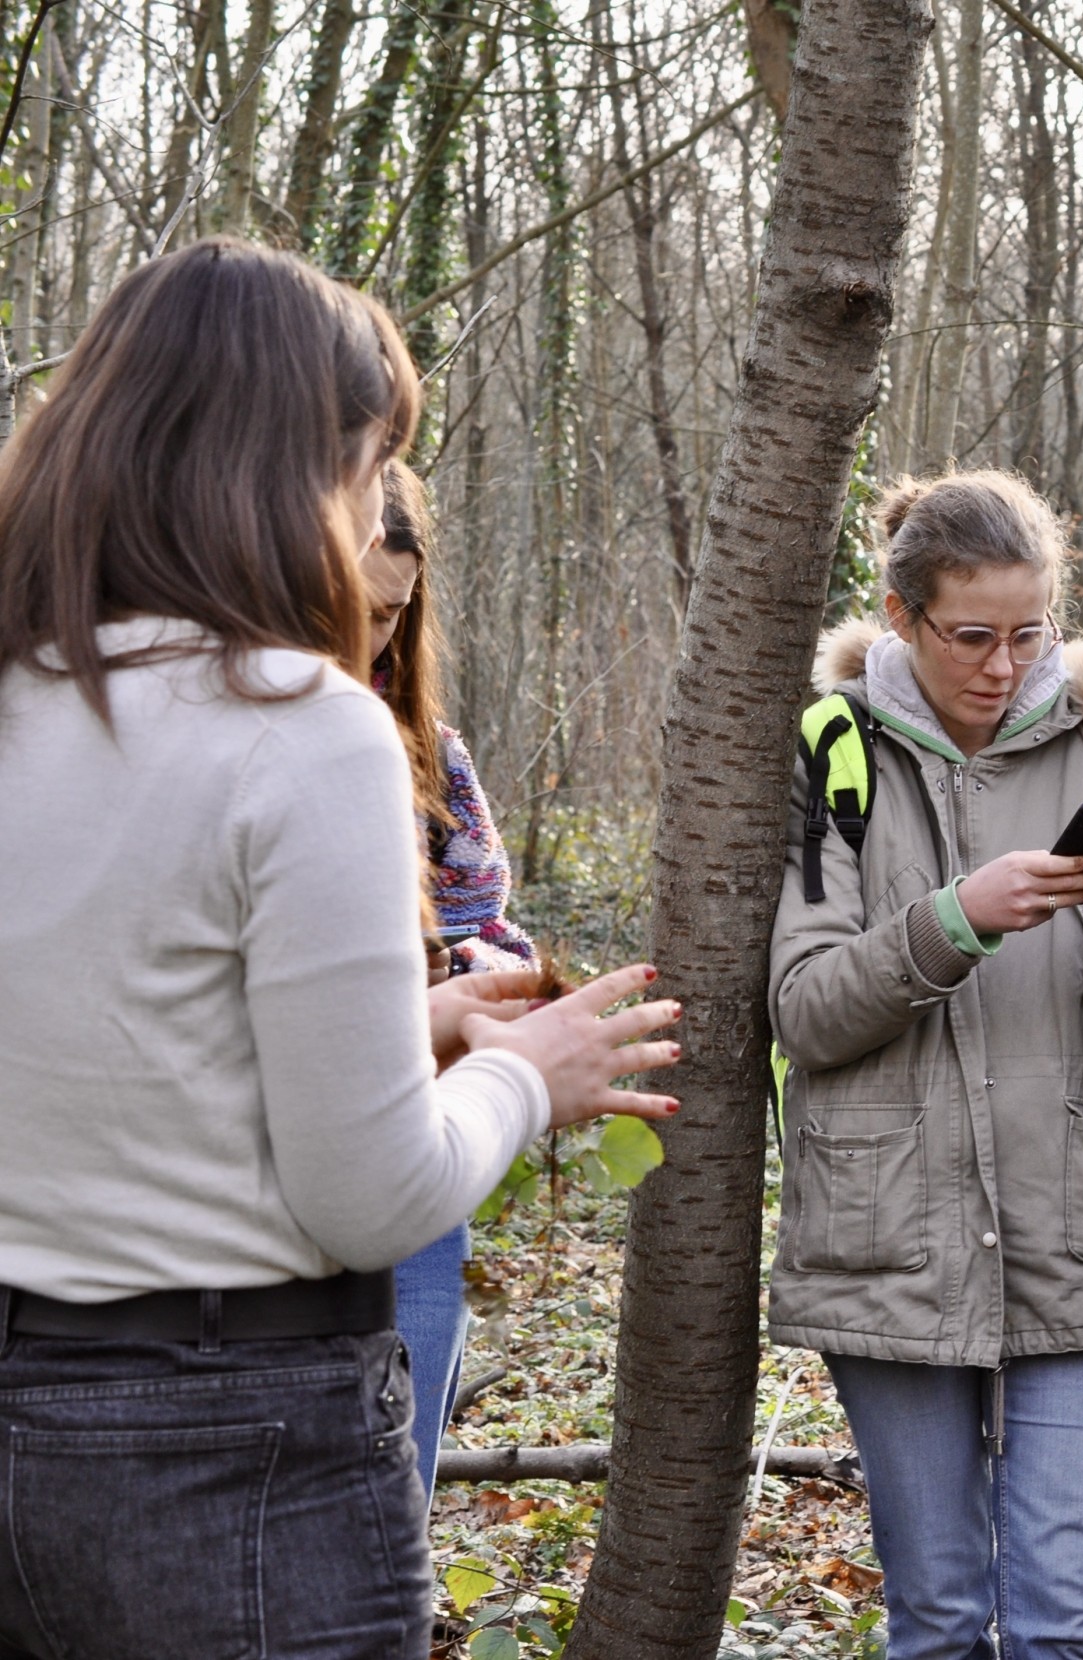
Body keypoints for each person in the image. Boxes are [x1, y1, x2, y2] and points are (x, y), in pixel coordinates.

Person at [0, 237, 680, 1658]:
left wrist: (426, 1031)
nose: (380, 511)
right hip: (227, 1451)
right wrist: (524, 1075)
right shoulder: (302, 730)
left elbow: (105, 1034)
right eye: (374, 465)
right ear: (283, 469)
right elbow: (373, 1200)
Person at [767, 469, 1083, 1660]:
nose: (1003, 665)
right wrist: (955, 918)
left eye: (1030, 634)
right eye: (972, 635)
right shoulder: (833, 755)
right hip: (890, 1242)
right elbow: (805, 1010)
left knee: (1066, 1626)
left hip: (1080, 1236)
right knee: (940, 1622)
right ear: (905, 618)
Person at [364, 459, 541, 1497]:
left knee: (400, 1482)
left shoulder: (431, 753)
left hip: (422, 1147)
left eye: (393, 615)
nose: (371, 639)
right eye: (351, 608)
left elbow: (494, 933)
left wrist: (462, 972)